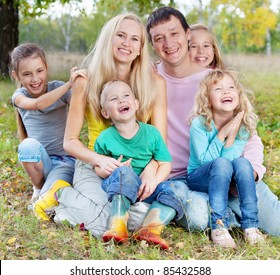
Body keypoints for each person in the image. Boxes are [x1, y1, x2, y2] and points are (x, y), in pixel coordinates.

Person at [33, 13, 179, 241]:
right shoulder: (85, 80)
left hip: (136, 167)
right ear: (108, 40)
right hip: (94, 164)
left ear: (141, 48)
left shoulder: (155, 83)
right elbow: (70, 142)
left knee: (135, 220)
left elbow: (159, 142)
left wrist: (152, 169)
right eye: (120, 36)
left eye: (134, 39)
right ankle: (60, 192)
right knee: (106, 223)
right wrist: (99, 160)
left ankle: (71, 211)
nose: (126, 44)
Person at [146, 6, 280, 236]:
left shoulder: (215, 80)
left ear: (188, 34)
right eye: (159, 38)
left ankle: (233, 213)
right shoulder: (148, 78)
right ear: (152, 45)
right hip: (183, 178)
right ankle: (224, 216)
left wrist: (254, 171)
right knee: (199, 219)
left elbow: (248, 133)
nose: (168, 43)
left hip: (230, 172)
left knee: (276, 224)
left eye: (174, 33)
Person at [93, 80, 186, 249]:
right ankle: (118, 225)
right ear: (105, 113)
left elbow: (165, 163)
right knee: (124, 173)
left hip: (147, 187)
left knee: (178, 187)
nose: (121, 100)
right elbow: (98, 167)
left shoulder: (152, 133)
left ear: (136, 104)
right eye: (114, 99)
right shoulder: (105, 138)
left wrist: (154, 182)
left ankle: (151, 228)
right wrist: (110, 168)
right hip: (122, 184)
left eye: (126, 96)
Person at [187, 69, 266, 248]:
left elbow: (230, 162)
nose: (226, 92)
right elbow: (206, 161)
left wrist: (232, 134)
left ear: (238, 95)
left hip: (224, 173)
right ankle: (219, 226)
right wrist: (223, 133)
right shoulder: (199, 124)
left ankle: (251, 226)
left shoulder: (243, 126)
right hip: (199, 177)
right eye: (218, 89)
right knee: (221, 163)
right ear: (207, 98)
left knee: (243, 162)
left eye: (231, 87)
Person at [9, 43, 85, 212]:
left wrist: (78, 84)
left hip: (65, 162)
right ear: (16, 76)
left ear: (46, 68)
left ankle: (46, 191)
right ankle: (38, 188)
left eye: (39, 71)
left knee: (46, 203)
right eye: (27, 74)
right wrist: (68, 84)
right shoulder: (19, 96)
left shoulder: (58, 88)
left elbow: (82, 105)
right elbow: (38, 103)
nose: (35, 79)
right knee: (27, 145)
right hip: (40, 162)